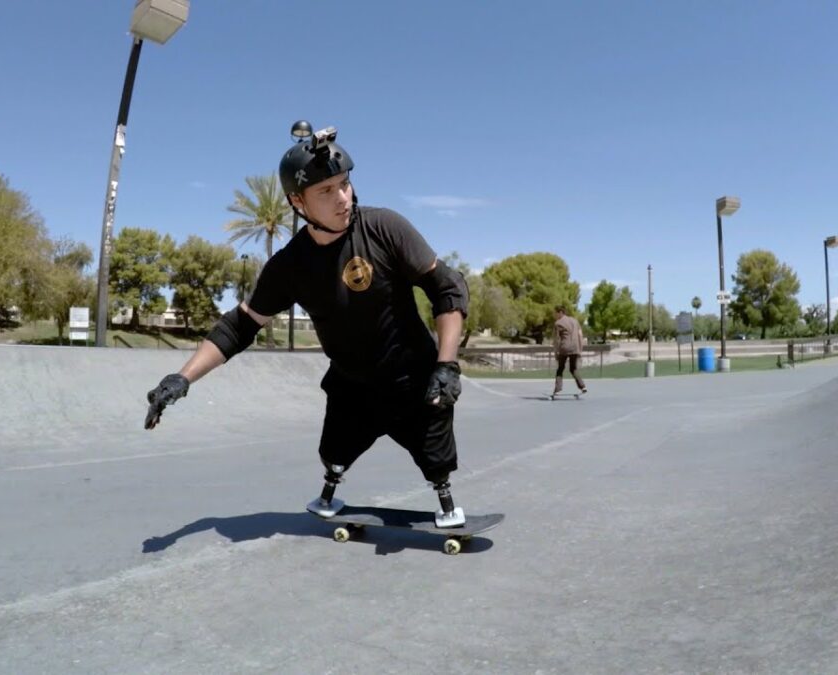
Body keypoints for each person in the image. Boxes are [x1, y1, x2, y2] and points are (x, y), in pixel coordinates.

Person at [144, 121, 471, 527]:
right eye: (326, 191)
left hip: (415, 379)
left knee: (437, 460)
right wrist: (182, 378)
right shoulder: (290, 267)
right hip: (353, 386)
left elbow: (447, 290)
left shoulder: (384, 228)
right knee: (334, 452)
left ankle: (445, 501)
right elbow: (238, 328)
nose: (342, 199)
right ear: (297, 202)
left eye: (344, 184)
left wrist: (447, 364)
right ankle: (330, 490)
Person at [552, 305, 587, 396]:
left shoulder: (558, 323)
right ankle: (582, 386)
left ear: (560, 312)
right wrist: (580, 349)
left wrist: (556, 352)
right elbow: (580, 335)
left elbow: (557, 339)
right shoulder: (575, 321)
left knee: (560, 368)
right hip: (575, 348)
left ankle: (557, 388)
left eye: (556, 313)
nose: (555, 315)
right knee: (573, 368)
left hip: (564, 348)